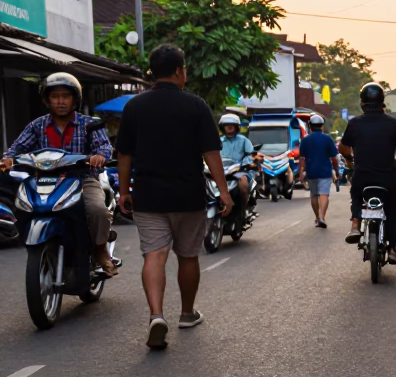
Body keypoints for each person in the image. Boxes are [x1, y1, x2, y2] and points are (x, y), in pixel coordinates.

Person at [115, 44, 231, 349]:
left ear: (153, 72)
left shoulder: (134, 107)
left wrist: (124, 191)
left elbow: (124, 154)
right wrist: (223, 191)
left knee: (154, 254)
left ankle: (156, 315)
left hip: (148, 195)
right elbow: (211, 153)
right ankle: (187, 313)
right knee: (188, 255)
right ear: (180, 71)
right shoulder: (196, 105)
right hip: (187, 195)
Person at [2, 72, 116, 276]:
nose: (60, 101)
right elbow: (17, 148)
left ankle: (100, 250)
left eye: (65, 96)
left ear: (75, 99)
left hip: (82, 180)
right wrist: (8, 159)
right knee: (21, 206)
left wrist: (99, 156)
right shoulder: (37, 126)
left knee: (97, 210)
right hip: (44, 181)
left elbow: (104, 147)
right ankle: (37, 244)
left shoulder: (89, 124)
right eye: (55, 96)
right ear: (47, 100)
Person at [340, 82, 396, 264]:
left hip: (362, 176)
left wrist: (350, 160)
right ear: (382, 103)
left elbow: (343, 148)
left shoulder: (354, 123)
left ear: (362, 103)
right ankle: (392, 249)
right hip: (387, 178)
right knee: (392, 211)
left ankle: (355, 224)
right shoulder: (392, 123)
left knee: (356, 195)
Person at [298, 113, 339, 228]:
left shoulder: (305, 140)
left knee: (314, 195)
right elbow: (334, 158)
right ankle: (322, 217)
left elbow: (302, 159)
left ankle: (317, 217)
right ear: (322, 126)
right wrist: (337, 171)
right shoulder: (327, 139)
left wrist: (301, 173)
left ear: (310, 126)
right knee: (324, 194)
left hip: (311, 171)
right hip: (325, 171)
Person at [217, 113, 257, 199]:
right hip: (221, 170)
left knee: (243, 182)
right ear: (222, 127)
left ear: (237, 127)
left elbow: (251, 154)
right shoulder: (218, 141)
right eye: (227, 125)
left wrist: (246, 163)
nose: (229, 127)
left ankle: (244, 204)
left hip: (238, 170)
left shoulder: (243, 140)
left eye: (232, 125)